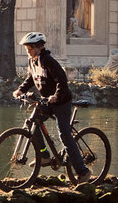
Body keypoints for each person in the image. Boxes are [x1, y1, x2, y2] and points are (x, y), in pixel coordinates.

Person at [12, 32, 92, 183]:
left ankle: (83, 171)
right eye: (26, 49)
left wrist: (56, 95)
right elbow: (31, 78)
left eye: (29, 48)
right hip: (46, 102)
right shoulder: (32, 61)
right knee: (32, 123)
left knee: (64, 135)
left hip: (61, 102)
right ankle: (44, 155)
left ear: (38, 47)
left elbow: (62, 80)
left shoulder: (49, 61)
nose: (27, 51)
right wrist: (20, 90)